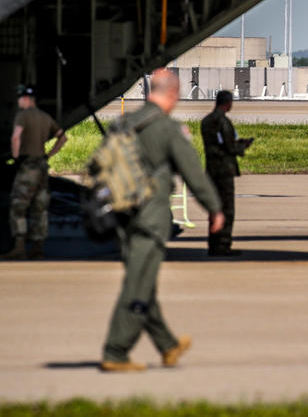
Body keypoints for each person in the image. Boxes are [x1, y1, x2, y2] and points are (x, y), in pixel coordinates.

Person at [101, 68, 225, 372]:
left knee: (143, 283)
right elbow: (193, 172)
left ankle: (168, 345)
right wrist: (214, 208)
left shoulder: (123, 123)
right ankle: (116, 352)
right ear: (172, 93)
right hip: (150, 218)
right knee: (137, 286)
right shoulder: (167, 129)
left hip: (121, 215)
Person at [1, 84, 67, 260]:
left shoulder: (22, 116)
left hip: (28, 166)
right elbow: (63, 137)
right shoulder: (45, 117)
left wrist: (16, 158)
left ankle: (19, 246)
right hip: (42, 166)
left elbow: (16, 136)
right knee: (40, 207)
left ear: (24, 98)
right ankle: (38, 248)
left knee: (18, 205)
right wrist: (49, 154)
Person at [200, 90, 252, 256]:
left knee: (214, 208)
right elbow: (229, 146)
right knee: (227, 209)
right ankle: (222, 244)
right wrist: (243, 145)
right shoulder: (223, 121)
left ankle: (213, 242)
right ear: (227, 102)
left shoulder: (206, 121)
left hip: (211, 169)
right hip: (224, 170)